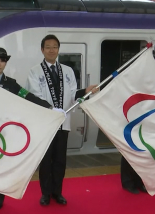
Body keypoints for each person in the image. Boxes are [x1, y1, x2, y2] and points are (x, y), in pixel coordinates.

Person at [25, 35, 98, 206]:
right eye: (48, 47)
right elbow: (35, 96)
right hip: (46, 124)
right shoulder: (35, 71)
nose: (51, 50)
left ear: (58, 49)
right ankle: (45, 194)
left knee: (60, 160)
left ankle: (57, 192)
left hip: (63, 123)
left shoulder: (67, 71)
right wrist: (52, 110)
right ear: (42, 50)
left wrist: (84, 91)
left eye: (55, 47)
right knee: (45, 161)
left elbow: (72, 96)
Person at [0, 47, 55, 210]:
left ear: (6, 63)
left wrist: (49, 107)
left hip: (5, 131)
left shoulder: (12, 84)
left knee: (2, 164)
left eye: (1, 60)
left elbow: (28, 96)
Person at [120, 50, 155, 194]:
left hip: (150, 120)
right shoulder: (131, 78)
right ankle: (127, 182)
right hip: (132, 120)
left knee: (145, 152)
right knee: (131, 151)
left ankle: (140, 181)